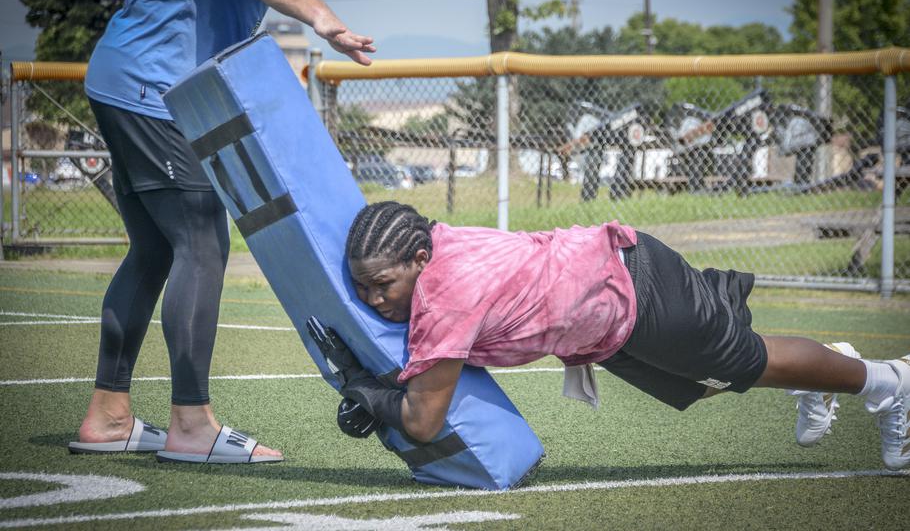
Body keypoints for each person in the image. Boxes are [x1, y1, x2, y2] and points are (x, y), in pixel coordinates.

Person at [313, 201, 910, 472]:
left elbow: (420, 420)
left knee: (752, 364)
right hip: (605, 316)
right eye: (362, 289)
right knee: (697, 388)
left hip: (636, 295)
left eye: (382, 285)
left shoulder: (446, 292)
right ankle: (826, 369)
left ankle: (887, 383)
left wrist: (364, 389)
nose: (374, 300)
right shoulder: (435, 242)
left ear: (419, 258)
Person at [68, 0, 375, 464]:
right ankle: (191, 424)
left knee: (153, 250)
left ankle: (109, 416)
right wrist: (322, 18)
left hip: (124, 79)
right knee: (202, 244)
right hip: (155, 86)